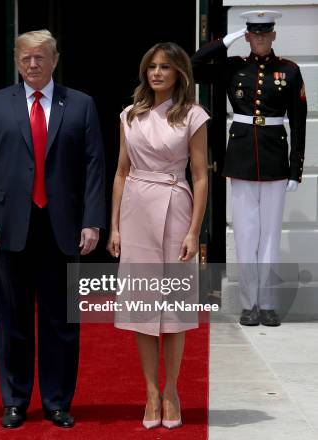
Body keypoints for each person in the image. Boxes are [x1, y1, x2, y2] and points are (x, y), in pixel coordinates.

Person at [0, 29, 105, 429]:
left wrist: (92, 221)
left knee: (61, 323)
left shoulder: (80, 104)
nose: (33, 64)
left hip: (62, 229)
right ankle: (14, 400)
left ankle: (57, 401)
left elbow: (94, 167)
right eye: (26, 57)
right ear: (17, 61)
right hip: (10, 228)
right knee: (12, 321)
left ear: (54, 60)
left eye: (40, 57)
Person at [107, 42, 209, 430]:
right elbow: (120, 171)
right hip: (135, 209)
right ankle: (151, 392)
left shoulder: (193, 116)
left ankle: (172, 391)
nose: (157, 73)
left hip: (175, 206)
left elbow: (200, 177)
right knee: (142, 308)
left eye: (165, 66)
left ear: (180, 72)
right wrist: (114, 225)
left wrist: (194, 231)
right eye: (152, 66)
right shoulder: (129, 115)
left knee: (175, 310)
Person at [191, 10, 307, 326]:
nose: (259, 40)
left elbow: (298, 123)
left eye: (264, 34)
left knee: (269, 236)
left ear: (273, 36)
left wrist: (295, 169)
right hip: (241, 157)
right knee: (245, 236)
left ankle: (268, 304)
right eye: (253, 35)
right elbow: (194, 66)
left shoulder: (290, 71)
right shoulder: (234, 67)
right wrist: (224, 41)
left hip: (274, 159)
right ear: (247, 36)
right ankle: (249, 304)